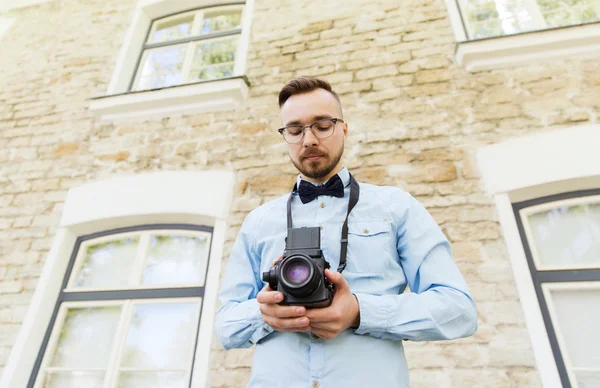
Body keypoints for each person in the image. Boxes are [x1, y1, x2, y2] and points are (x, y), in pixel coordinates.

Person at [215, 77, 477, 387]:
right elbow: (225, 326)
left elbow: (458, 310)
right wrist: (265, 314)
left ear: (344, 128)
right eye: (295, 130)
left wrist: (359, 312)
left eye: (322, 125)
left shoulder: (396, 207)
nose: (309, 139)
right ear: (285, 136)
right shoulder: (257, 221)